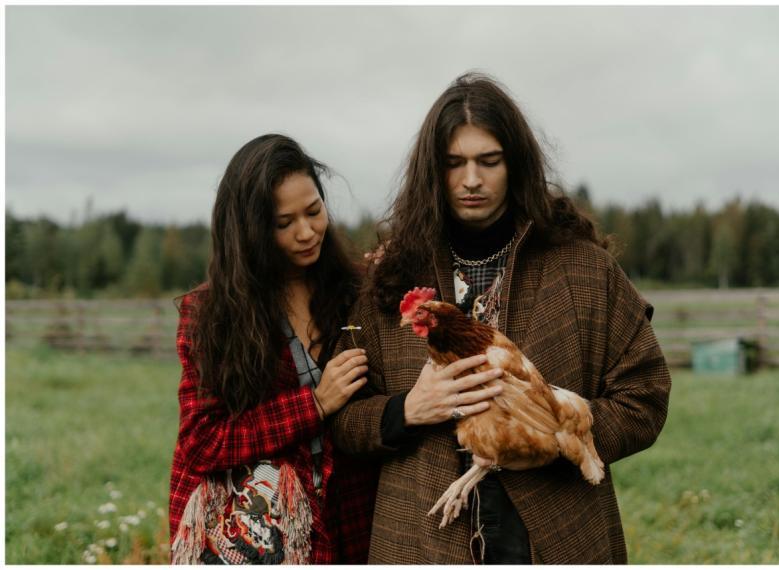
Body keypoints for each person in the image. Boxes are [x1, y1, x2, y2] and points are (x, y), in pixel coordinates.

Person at [330, 73, 671, 564]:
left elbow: (646, 395)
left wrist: (558, 439)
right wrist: (404, 411)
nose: (472, 179)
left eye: (489, 161)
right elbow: (343, 419)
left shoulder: (582, 269)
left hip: (556, 533)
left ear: (516, 165)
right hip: (423, 540)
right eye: (454, 164)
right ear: (432, 171)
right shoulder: (391, 278)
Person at [169, 134, 378, 564]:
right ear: (251, 231)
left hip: (352, 516)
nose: (306, 232)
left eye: (314, 211)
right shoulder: (213, 315)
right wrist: (315, 405)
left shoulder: (355, 292)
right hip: (256, 530)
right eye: (284, 223)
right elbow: (202, 442)